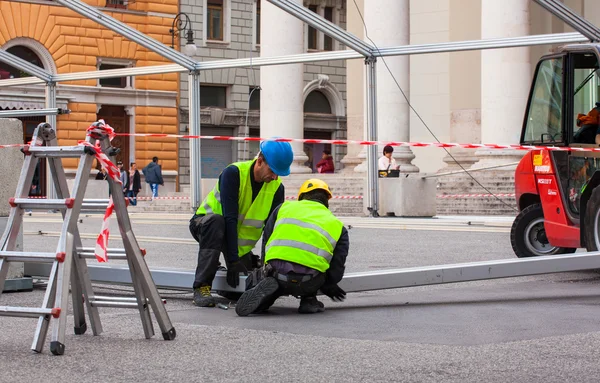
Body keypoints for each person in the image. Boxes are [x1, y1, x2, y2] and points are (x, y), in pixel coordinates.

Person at [189, 140, 294, 307]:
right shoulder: (234, 173)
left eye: (278, 173)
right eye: (272, 170)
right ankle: (201, 287)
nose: (274, 177)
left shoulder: (277, 188)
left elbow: (270, 231)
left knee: (243, 287)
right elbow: (230, 218)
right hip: (206, 225)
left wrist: (267, 266)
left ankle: (220, 279)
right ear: (260, 161)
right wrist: (232, 260)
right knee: (217, 222)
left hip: (235, 240)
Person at [235, 178, 349, 316]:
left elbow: (267, 238)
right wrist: (330, 284)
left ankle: (267, 297)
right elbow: (338, 263)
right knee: (319, 267)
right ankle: (309, 300)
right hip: (309, 281)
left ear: (301, 197)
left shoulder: (283, 208)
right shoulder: (336, 225)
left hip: (277, 273)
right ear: (327, 201)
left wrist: (265, 269)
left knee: (270, 279)